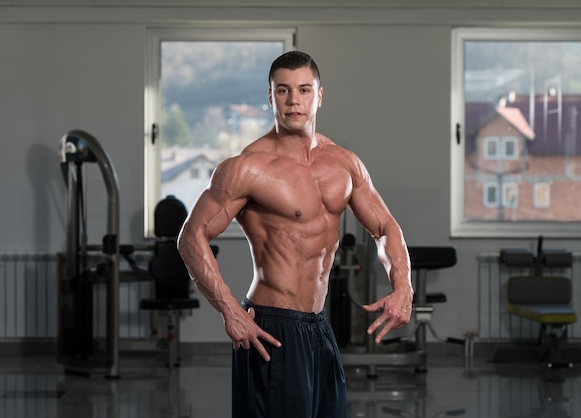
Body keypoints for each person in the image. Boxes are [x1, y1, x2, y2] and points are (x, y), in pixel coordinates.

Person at [177, 50, 413, 418]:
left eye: (303, 90)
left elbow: (385, 227)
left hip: (320, 327)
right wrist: (229, 310)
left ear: (319, 95)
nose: (293, 100)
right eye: (283, 91)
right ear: (270, 97)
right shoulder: (248, 167)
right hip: (273, 326)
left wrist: (404, 287)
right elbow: (190, 236)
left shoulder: (344, 162)